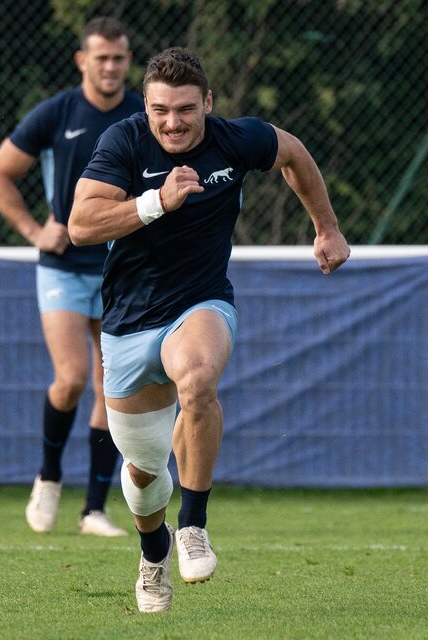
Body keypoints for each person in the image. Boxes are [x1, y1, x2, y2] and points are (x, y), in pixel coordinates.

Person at [69, 47, 351, 611]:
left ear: (208, 104)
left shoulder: (236, 139)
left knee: (198, 381)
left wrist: (326, 227)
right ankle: (155, 551)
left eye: (185, 109)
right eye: (160, 111)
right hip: (128, 323)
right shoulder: (123, 142)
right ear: (145, 107)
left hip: (200, 302)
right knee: (144, 470)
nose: (172, 122)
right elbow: (81, 225)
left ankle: (194, 523)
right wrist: (157, 202)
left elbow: (293, 153)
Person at [0, 17, 142, 538]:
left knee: (112, 389)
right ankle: (49, 476)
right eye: (101, 58)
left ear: (128, 60)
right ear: (82, 61)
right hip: (64, 270)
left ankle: (93, 510)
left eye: (118, 58)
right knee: (71, 378)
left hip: (120, 269)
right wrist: (34, 230)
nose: (110, 67)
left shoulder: (143, 114)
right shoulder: (57, 112)